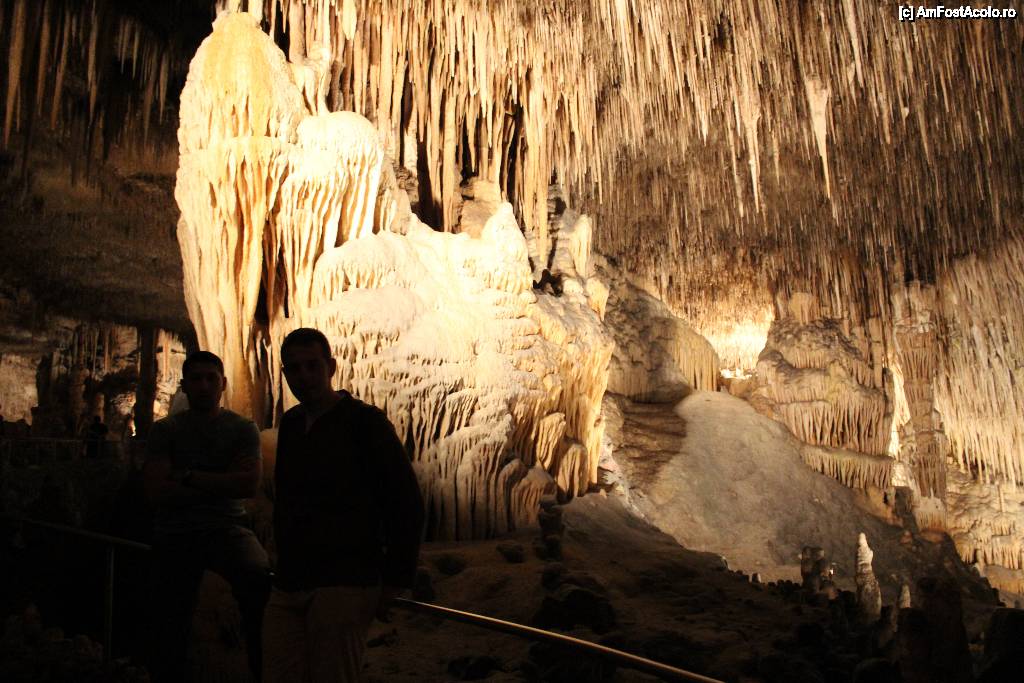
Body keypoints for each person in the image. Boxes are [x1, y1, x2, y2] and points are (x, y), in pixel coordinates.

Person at [264, 328, 424, 683]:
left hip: (345, 581)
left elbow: (405, 501)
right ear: (285, 374)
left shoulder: (366, 423)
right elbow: (286, 497)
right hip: (290, 580)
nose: (304, 376)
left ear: (331, 367)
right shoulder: (291, 424)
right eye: (294, 369)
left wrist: (396, 578)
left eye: (312, 366)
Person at [142, 351, 270, 683]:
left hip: (228, 528)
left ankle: (262, 668)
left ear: (223, 383)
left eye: (211, 378)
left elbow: (248, 485)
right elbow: (156, 492)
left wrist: (186, 477)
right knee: (166, 614)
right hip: (175, 530)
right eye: (196, 379)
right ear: (184, 385)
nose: (203, 385)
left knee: (260, 578)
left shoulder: (243, 428)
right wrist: (223, 483)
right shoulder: (165, 430)